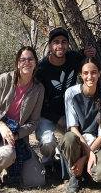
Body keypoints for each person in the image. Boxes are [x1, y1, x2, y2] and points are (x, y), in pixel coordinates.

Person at [0, 46, 45, 189]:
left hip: (17, 137)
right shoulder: (5, 79)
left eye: (30, 59)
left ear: (36, 62)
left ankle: (11, 172)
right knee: (7, 154)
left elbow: (33, 123)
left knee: (36, 181)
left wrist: (17, 135)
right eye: (23, 60)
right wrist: (1, 126)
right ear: (17, 63)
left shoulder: (38, 89)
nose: (27, 63)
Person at [35, 27, 96, 168]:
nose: (60, 46)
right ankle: (50, 164)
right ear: (50, 46)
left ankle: (66, 158)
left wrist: (91, 52)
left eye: (64, 42)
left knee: (83, 138)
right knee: (48, 142)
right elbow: (38, 105)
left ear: (68, 45)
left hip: (70, 113)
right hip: (48, 114)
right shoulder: (41, 69)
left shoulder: (74, 58)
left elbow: (85, 53)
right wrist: (57, 119)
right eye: (56, 42)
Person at [60, 56, 101, 193]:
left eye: (94, 72)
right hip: (78, 141)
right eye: (86, 73)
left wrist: (85, 158)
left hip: (97, 143)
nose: (90, 76)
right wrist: (88, 153)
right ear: (80, 75)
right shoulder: (71, 93)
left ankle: (84, 170)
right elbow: (73, 128)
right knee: (69, 138)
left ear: (99, 73)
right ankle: (75, 176)